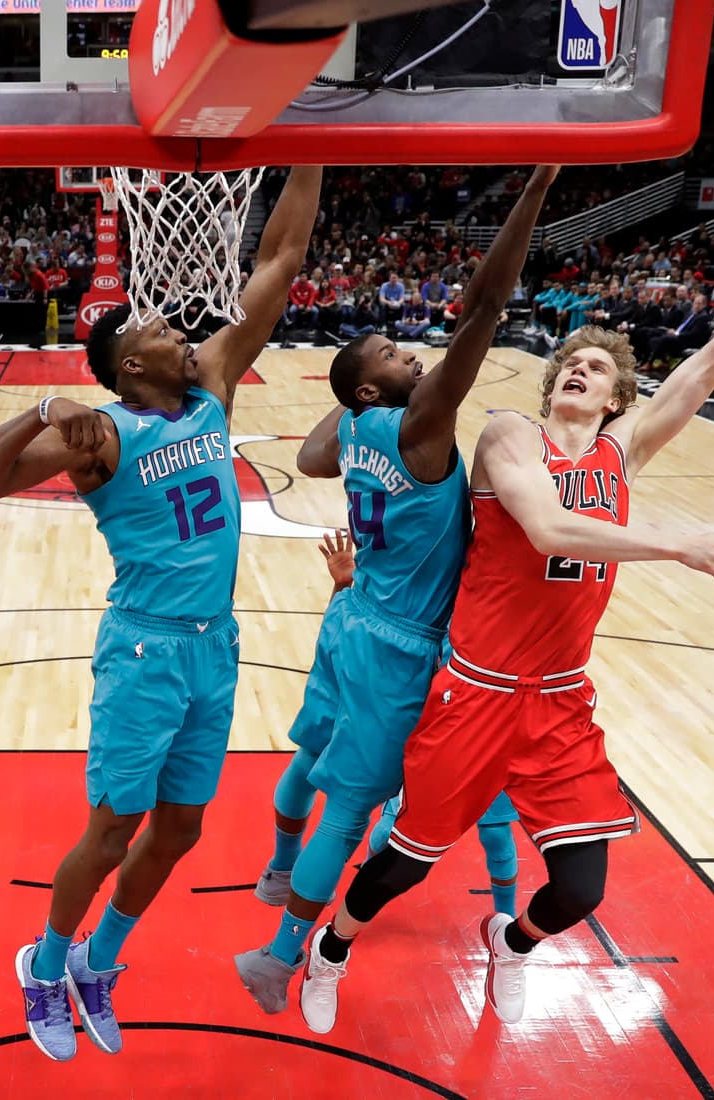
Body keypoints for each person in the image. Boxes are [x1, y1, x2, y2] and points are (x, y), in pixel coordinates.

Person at [294, 164, 714, 1037]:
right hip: (474, 688)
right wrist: (679, 543)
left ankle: (511, 943)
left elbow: (713, 358)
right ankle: (331, 951)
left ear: (621, 397)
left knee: (581, 889)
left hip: (558, 701)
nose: (579, 372)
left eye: (597, 369)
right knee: (401, 868)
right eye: (571, 363)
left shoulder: (622, 456)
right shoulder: (509, 436)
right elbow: (550, 531)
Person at [0, 165, 322, 1062]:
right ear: (129, 365)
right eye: (158, 327)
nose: (179, 327)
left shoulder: (216, 385)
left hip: (215, 649)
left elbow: (282, 256)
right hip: (145, 651)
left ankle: (97, 962)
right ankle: (42, 964)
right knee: (112, 829)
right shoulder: (102, 435)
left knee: (183, 828)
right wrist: (41, 405)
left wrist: (310, 147)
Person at [234, 166, 563, 1020]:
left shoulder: (361, 425)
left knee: (314, 756)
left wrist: (354, 400)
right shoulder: (419, 427)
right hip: (402, 644)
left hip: (351, 616)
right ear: (381, 389)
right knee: (354, 810)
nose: (413, 354)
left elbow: (311, 460)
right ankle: (277, 960)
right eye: (392, 356)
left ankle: (278, 867)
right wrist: (533, 190)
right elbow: (485, 310)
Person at [315, 527, 520, 915]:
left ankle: (505, 921)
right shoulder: (426, 611)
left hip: (488, 725)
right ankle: (347, 898)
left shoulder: (500, 607)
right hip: (434, 731)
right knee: (388, 835)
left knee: (496, 833)